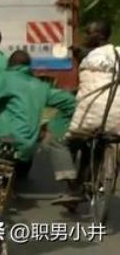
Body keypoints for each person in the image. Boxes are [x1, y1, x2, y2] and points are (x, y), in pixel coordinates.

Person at [0, 50, 76, 207]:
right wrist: (54, 127)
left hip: (3, 136)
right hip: (27, 146)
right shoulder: (41, 86)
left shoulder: (6, 78)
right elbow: (70, 102)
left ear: (10, 65)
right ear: (28, 67)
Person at [45, 21, 120, 206]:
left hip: (93, 114)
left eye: (88, 33)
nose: (86, 36)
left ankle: (72, 187)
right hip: (115, 116)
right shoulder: (117, 54)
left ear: (98, 36)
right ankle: (87, 182)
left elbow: (87, 85)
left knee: (61, 141)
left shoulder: (90, 56)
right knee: (95, 141)